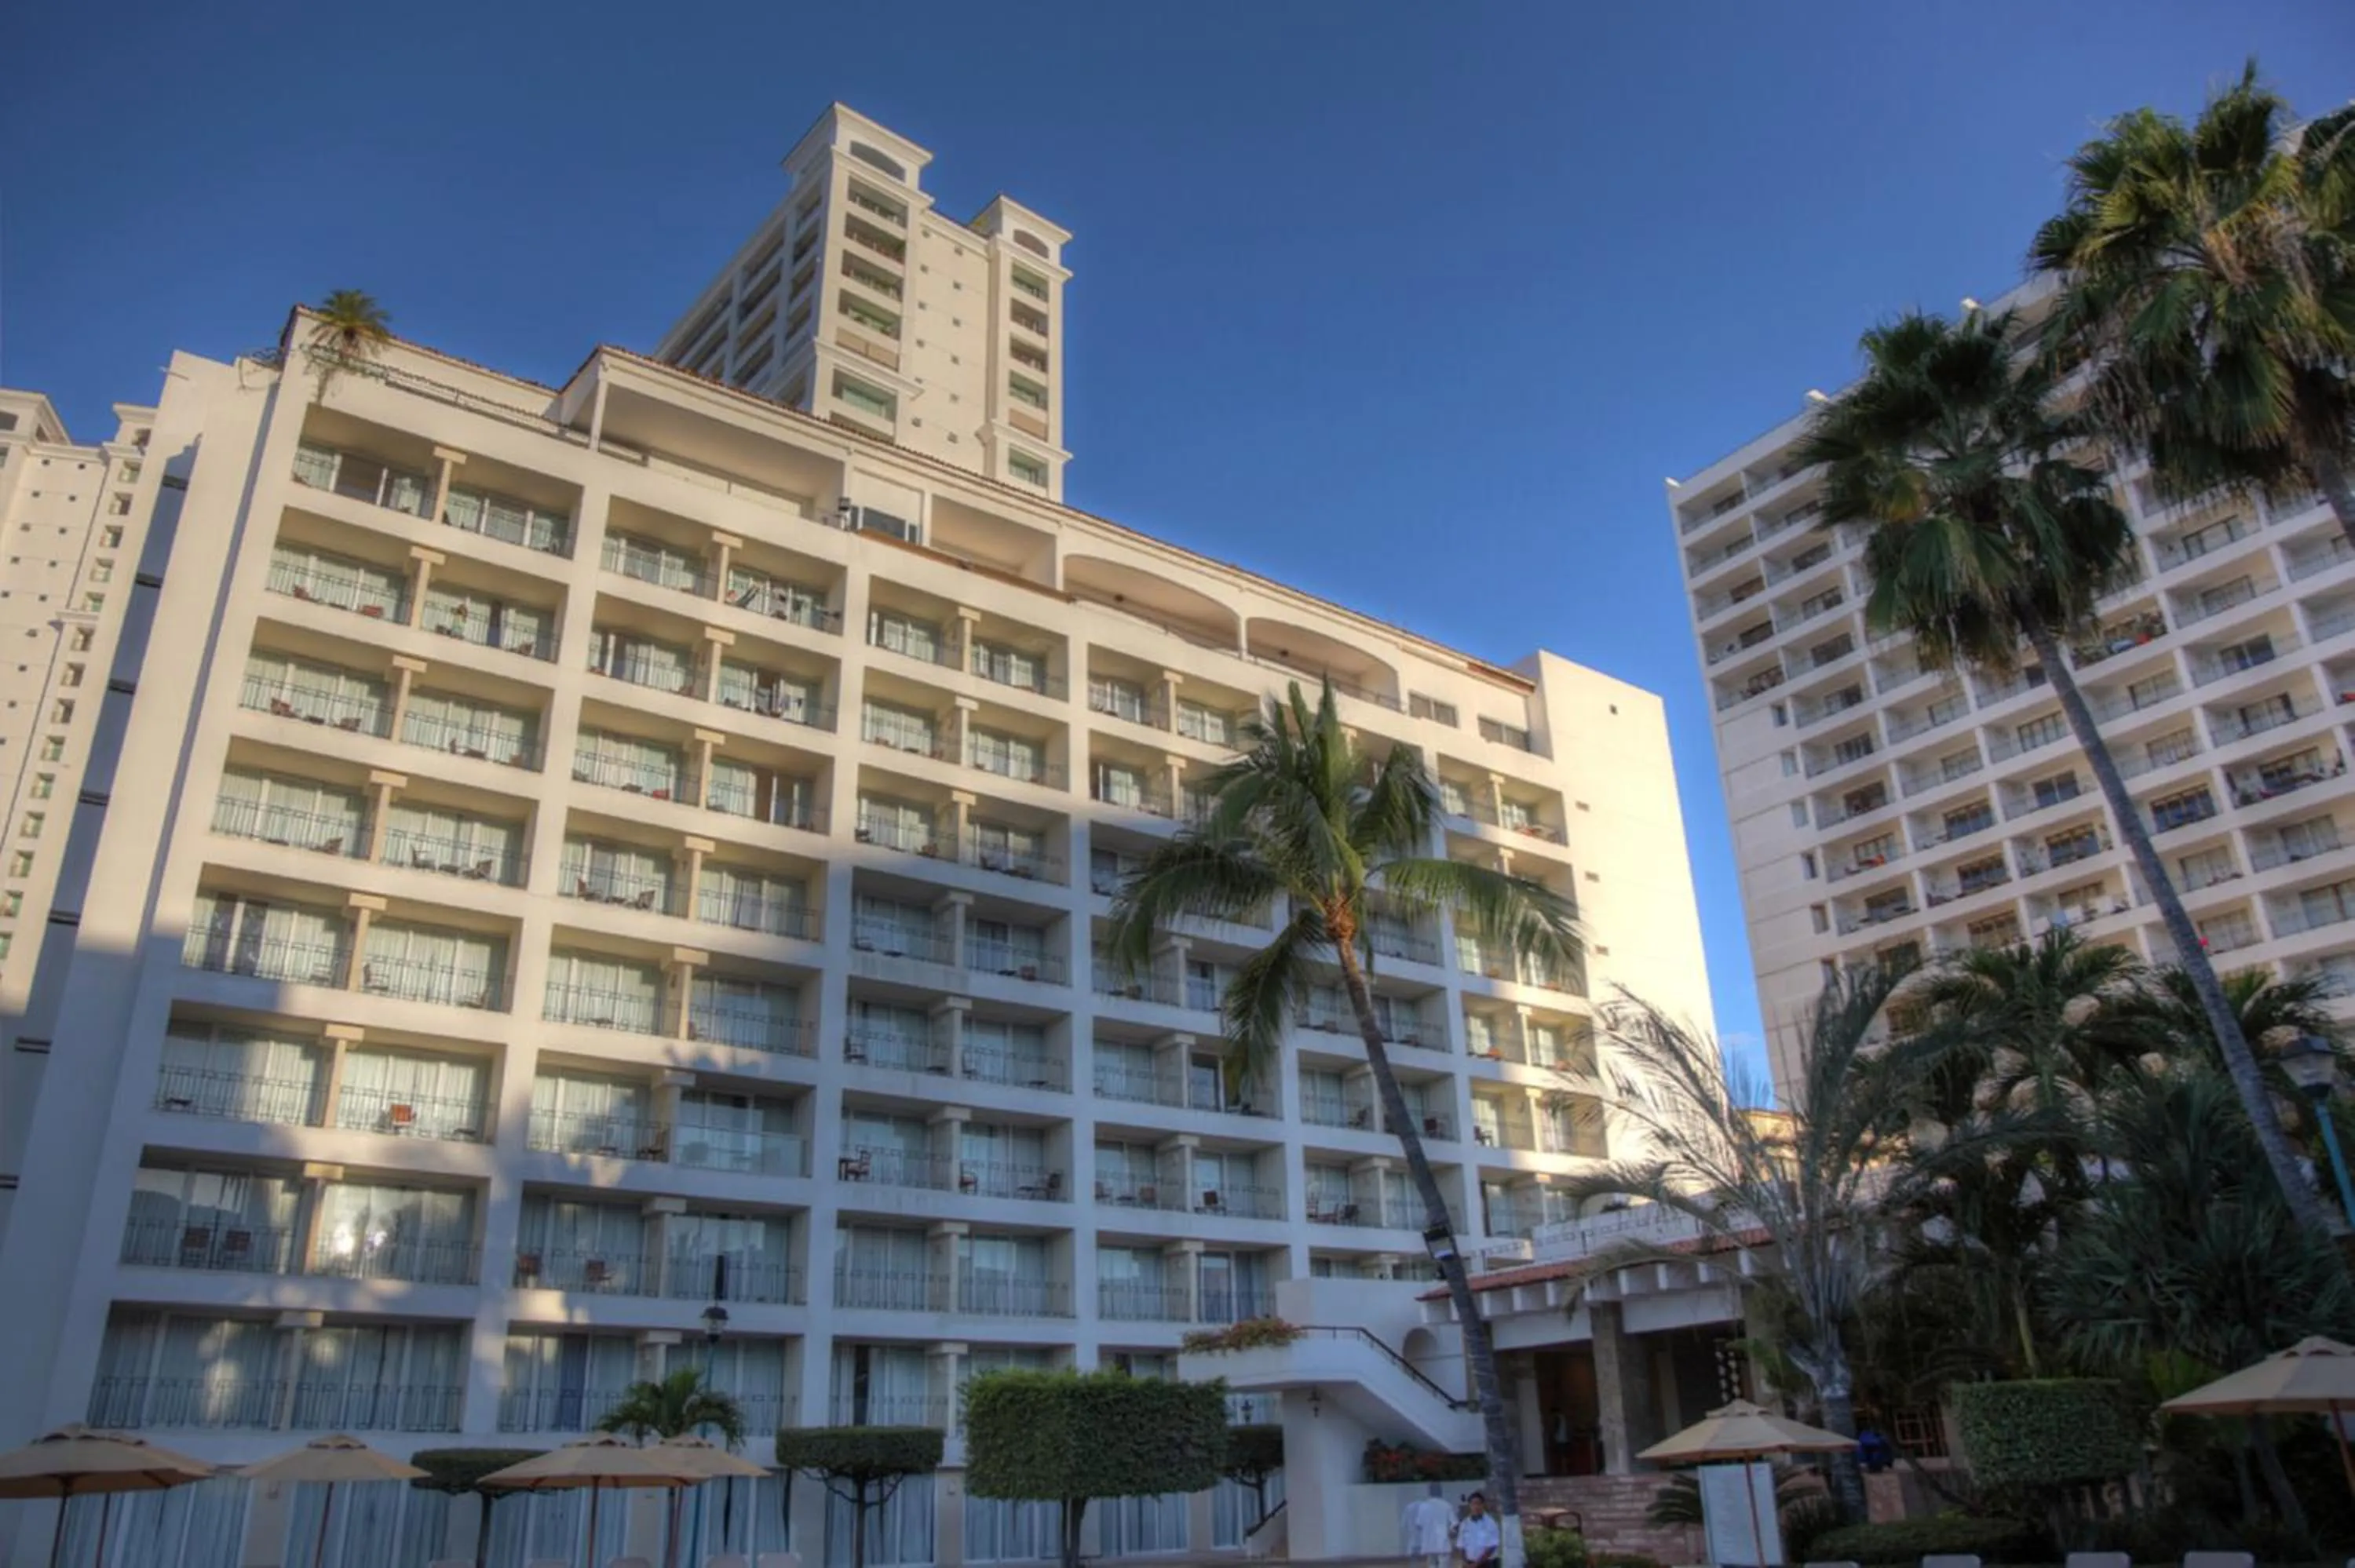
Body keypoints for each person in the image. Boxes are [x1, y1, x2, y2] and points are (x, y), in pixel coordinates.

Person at [1401, 1482, 1453, 1568]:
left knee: (1432, 1564)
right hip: (1443, 1543)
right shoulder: (1447, 1505)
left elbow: (1419, 1525)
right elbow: (1454, 1523)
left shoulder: (1424, 1507)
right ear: (1440, 1492)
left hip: (1429, 1544)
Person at [1454, 1492, 1500, 1568]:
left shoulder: (1490, 1523)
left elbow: (1492, 1546)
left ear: (1483, 1505)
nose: (1476, 1507)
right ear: (1470, 1506)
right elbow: (1461, 1545)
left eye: (1479, 1504)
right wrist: (1465, 1562)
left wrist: (1477, 1564)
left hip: (1486, 1564)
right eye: (1473, 1504)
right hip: (1468, 1564)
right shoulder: (1465, 1524)